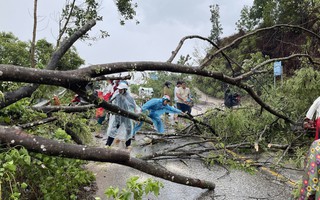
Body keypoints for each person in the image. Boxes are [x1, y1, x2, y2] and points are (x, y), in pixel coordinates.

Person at [105, 82, 136, 150]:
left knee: (128, 129)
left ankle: (128, 144)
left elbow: (133, 105)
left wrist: (134, 113)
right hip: (118, 115)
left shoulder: (129, 96)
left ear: (125, 89)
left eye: (121, 89)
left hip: (126, 116)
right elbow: (111, 101)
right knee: (113, 129)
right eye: (119, 89)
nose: (119, 90)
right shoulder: (117, 94)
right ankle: (108, 144)